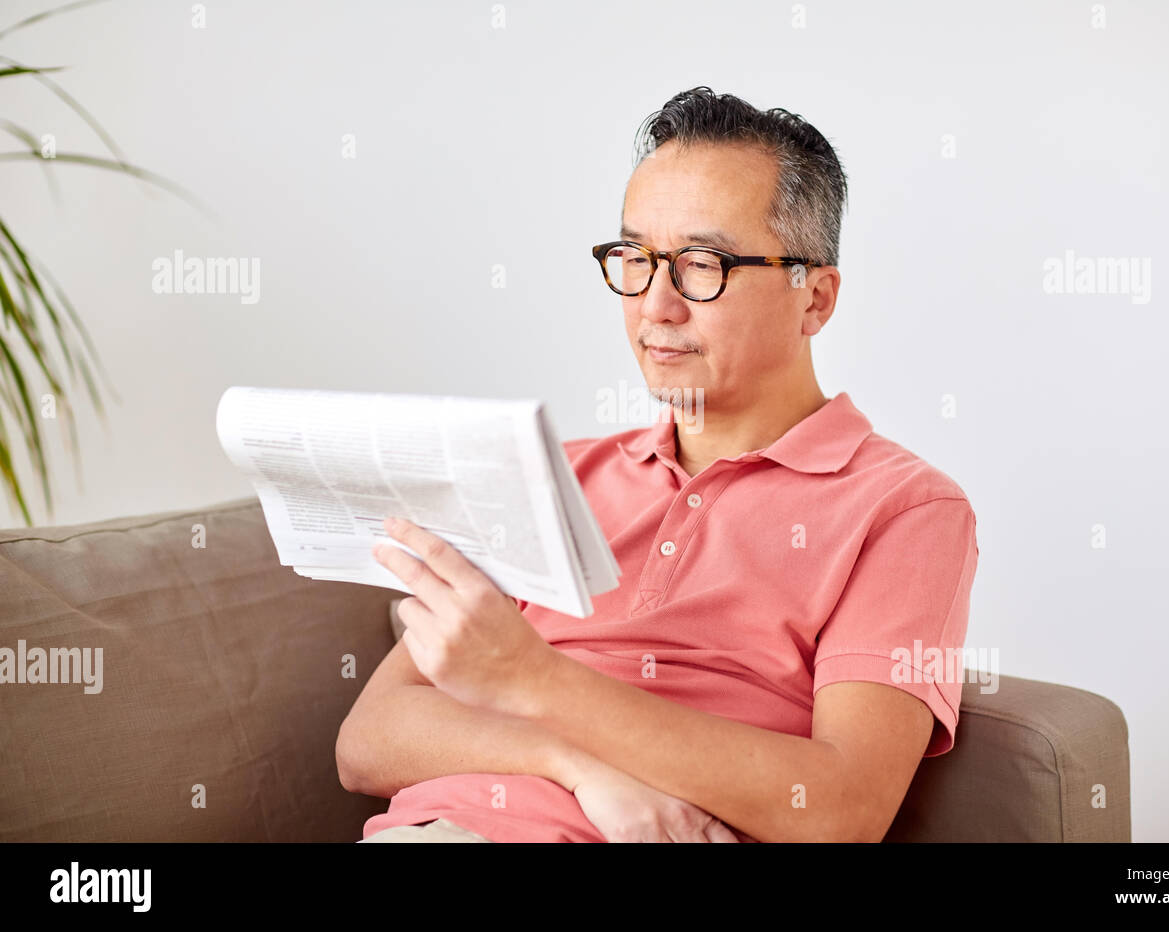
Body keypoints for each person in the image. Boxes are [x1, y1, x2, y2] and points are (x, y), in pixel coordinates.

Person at [340, 86, 979, 843]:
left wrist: (533, 681)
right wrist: (581, 769)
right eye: (636, 259)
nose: (656, 306)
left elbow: (843, 807)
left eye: (702, 264)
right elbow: (368, 739)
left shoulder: (906, 510)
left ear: (815, 299)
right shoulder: (553, 478)